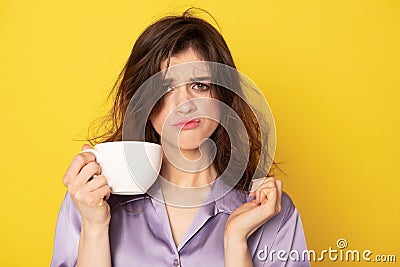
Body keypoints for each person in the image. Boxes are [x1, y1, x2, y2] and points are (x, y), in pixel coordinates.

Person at [51, 9, 310, 267]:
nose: (183, 105)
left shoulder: (272, 211)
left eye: (200, 85)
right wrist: (94, 227)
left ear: (222, 95)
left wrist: (235, 241)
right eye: (165, 88)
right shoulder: (88, 196)